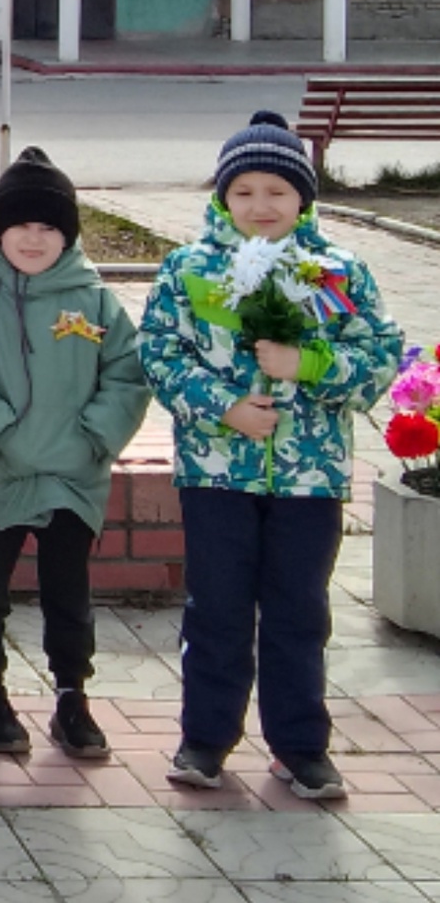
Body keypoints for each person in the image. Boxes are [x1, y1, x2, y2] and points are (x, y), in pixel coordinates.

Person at [139, 110, 401, 801]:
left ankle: (300, 746)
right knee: (217, 606)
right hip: (216, 474)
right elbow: (160, 354)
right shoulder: (189, 269)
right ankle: (204, 740)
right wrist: (222, 406)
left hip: (311, 478)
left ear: (303, 200)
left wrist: (307, 363)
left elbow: (377, 358)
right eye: (246, 190)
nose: (261, 205)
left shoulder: (336, 272)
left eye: (277, 192)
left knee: (298, 611)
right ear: (223, 196)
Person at [0, 148, 150, 763]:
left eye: (48, 226)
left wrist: (92, 439)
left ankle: (73, 694)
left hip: (72, 476)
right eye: (20, 225)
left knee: (67, 591)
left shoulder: (96, 303)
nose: (33, 237)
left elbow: (127, 378)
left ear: (68, 235)